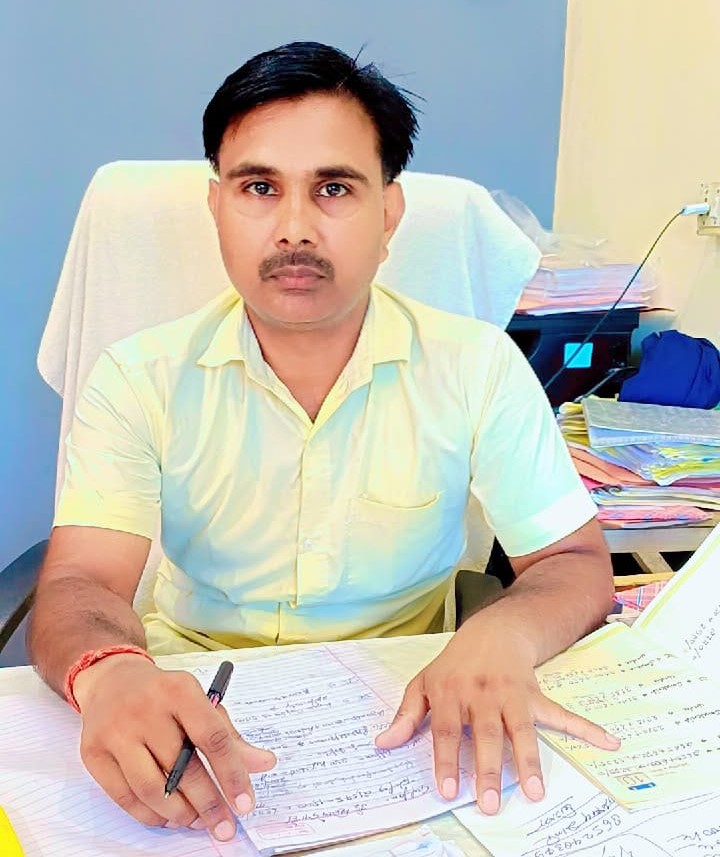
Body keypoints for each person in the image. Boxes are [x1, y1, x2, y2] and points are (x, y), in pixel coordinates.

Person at [28, 41, 618, 843]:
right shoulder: (139, 376)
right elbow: (82, 583)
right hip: (193, 701)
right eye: (259, 188)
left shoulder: (477, 366)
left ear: (389, 214)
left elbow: (573, 563)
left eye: (334, 188)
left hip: (412, 707)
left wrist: (503, 633)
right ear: (216, 208)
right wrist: (109, 672)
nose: (295, 229)